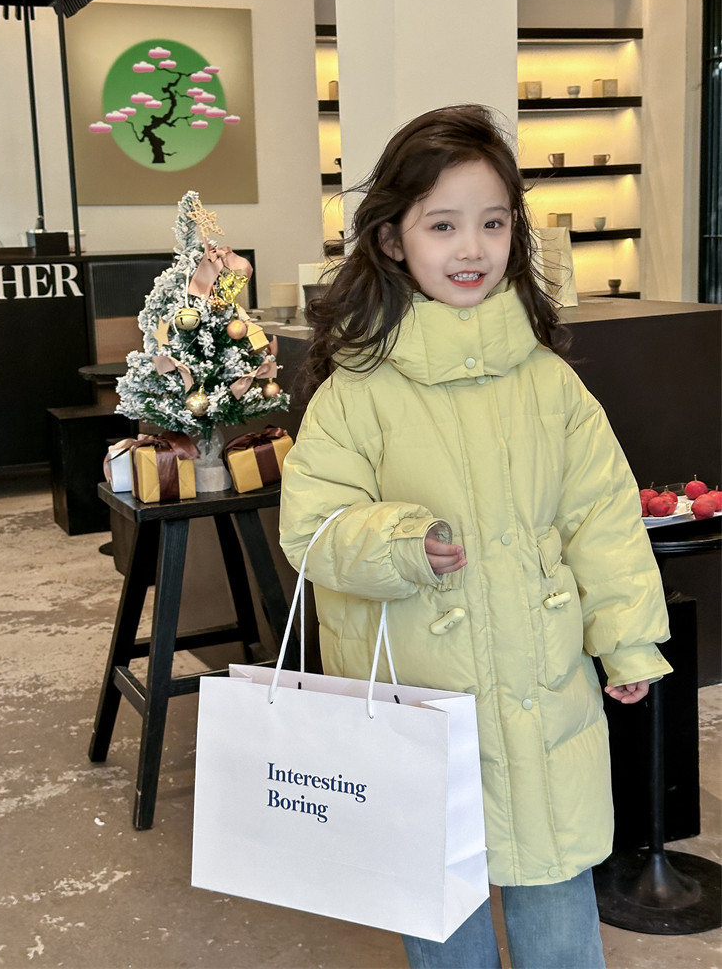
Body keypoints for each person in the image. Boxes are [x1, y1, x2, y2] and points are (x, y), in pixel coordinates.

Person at [279, 104, 672, 969]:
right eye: (443, 225)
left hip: (543, 692)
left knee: (555, 879)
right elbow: (311, 529)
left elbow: (601, 515)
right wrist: (400, 545)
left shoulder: (549, 383)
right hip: (419, 701)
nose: (472, 248)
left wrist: (626, 636)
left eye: (493, 223)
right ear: (393, 240)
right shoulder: (356, 392)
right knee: (440, 895)